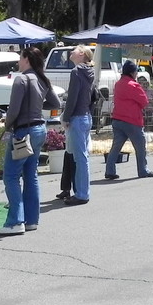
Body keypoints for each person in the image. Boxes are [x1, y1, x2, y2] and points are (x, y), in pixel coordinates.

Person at [0, 47, 60, 235]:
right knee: (31, 175)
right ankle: (31, 219)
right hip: (39, 128)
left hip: (23, 131)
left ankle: (15, 222)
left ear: (26, 59)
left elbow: (14, 111)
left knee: (10, 176)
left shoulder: (21, 79)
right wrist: (38, 105)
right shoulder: (42, 78)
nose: (18, 61)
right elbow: (56, 104)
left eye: (20, 58)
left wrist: (5, 125)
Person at [104, 60, 153, 179]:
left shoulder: (118, 84)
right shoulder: (134, 85)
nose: (137, 74)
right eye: (136, 72)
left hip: (117, 119)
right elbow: (144, 101)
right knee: (140, 146)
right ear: (132, 73)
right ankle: (143, 170)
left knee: (116, 147)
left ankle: (110, 170)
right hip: (132, 120)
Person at [58, 45, 95, 206]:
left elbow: (72, 97)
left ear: (81, 54)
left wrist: (66, 117)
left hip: (78, 117)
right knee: (80, 156)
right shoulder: (89, 71)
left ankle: (82, 194)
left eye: (74, 50)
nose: (71, 52)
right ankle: (80, 190)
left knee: (80, 158)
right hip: (86, 116)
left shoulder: (76, 72)